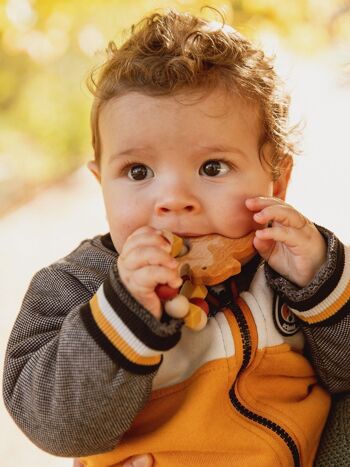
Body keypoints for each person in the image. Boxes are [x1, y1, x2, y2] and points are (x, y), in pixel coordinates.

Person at [3, 9, 350, 467]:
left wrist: (323, 291)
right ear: (100, 182)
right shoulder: (75, 288)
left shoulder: (292, 265)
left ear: (277, 180)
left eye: (212, 168)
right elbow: (56, 428)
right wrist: (124, 314)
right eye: (137, 171)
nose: (172, 200)